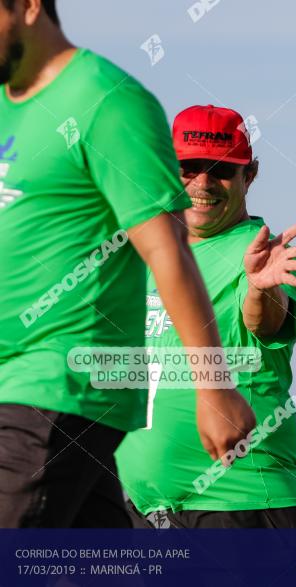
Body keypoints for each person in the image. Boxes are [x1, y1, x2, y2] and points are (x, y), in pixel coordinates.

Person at [0, 0, 255, 527]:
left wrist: (213, 384)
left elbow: (168, 247)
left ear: (26, 7)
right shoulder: (6, 107)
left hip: (59, 379)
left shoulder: (106, 100)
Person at [115, 105, 296, 529]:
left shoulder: (266, 255)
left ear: (250, 175)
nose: (203, 183)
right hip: (143, 511)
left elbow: (263, 320)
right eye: (189, 167)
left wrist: (262, 289)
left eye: (221, 170)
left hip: (241, 508)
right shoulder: (146, 256)